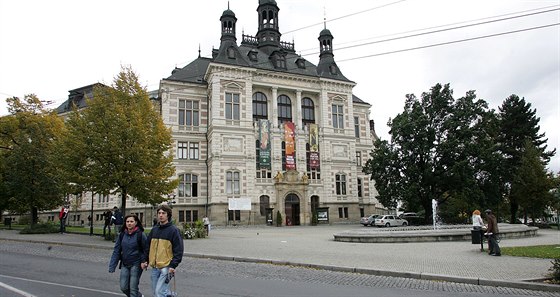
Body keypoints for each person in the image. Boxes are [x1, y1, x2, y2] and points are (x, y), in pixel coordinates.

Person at [141, 205, 183, 297]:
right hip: (155, 266)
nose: (161, 215)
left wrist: (173, 265)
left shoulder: (174, 230)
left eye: (163, 213)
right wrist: (145, 260)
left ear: (168, 215)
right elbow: (148, 247)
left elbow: (178, 250)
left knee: (159, 292)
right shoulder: (154, 230)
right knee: (157, 291)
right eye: (159, 213)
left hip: (166, 267)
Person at [109, 214, 147, 297]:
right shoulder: (122, 234)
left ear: (136, 222)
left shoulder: (140, 234)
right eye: (127, 221)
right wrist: (112, 266)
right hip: (125, 264)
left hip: (136, 264)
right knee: (124, 287)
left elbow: (146, 249)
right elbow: (117, 250)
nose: (129, 223)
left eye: (131, 221)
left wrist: (144, 261)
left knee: (133, 288)